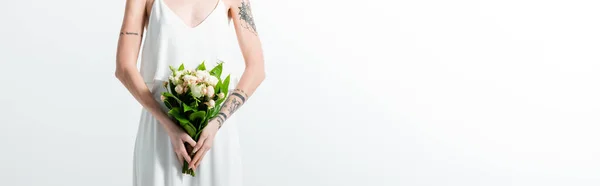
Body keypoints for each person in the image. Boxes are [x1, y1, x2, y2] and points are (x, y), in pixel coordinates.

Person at [114, 0, 265, 185]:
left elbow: (256, 68)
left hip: (213, 132)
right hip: (160, 127)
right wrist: (168, 125)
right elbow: (124, 67)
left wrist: (217, 122)